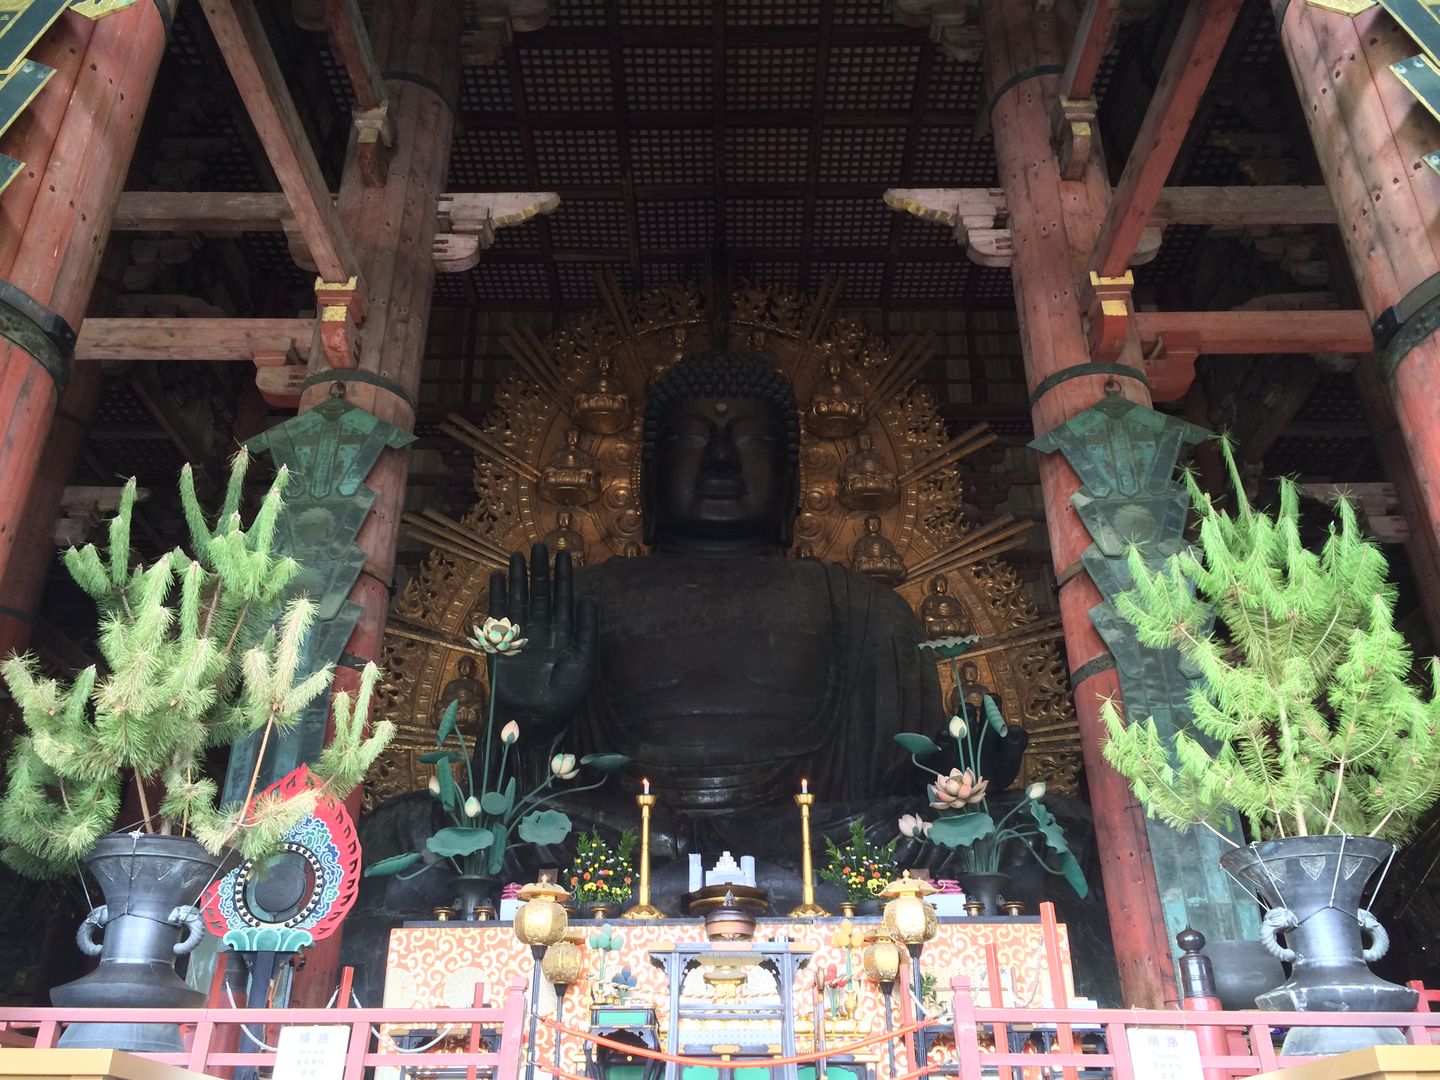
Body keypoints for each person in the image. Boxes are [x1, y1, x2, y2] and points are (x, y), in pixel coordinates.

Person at [490, 350, 942, 815]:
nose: (721, 458)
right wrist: (529, 722)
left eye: (753, 440)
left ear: (793, 482)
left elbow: (905, 789)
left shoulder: (867, 612)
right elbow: (514, 796)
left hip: (815, 838)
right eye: (689, 438)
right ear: (648, 478)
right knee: (415, 821)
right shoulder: (579, 603)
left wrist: (961, 770)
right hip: (619, 837)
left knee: (996, 837)